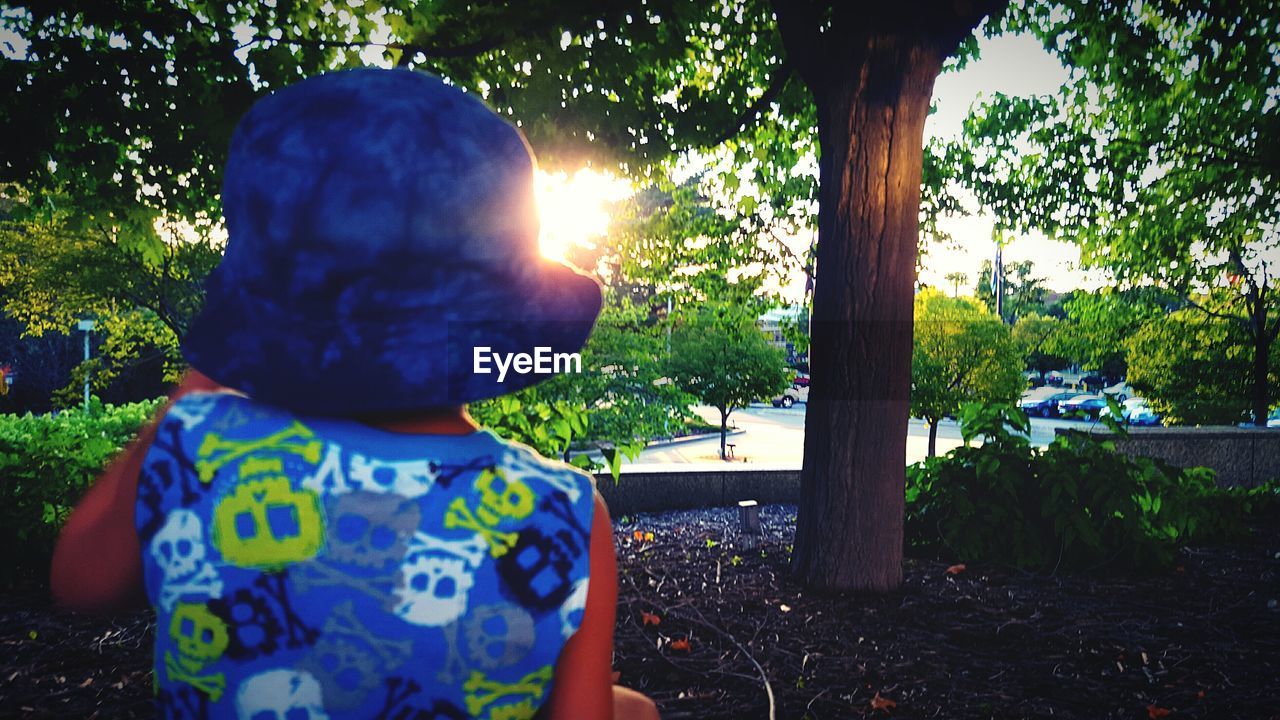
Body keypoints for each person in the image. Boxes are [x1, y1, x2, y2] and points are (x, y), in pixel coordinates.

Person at [50, 68, 659, 720]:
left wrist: (219, 353)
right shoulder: (566, 513)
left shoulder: (196, 447)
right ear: (506, 316)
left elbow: (79, 582)